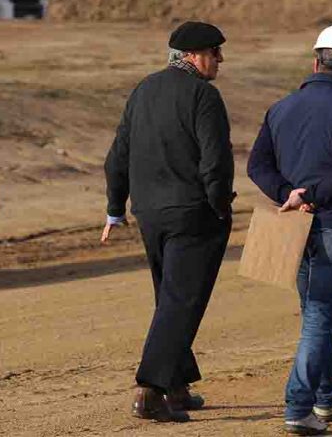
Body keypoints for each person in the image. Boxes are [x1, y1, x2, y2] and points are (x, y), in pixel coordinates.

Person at [102, 21, 235, 423]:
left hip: (150, 215)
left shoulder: (144, 90)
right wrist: (219, 206)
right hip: (191, 215)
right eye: (215, 53)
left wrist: (115, 208)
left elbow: (116, 156)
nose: (221, 60)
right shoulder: (204, 96)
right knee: (181, 301)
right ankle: (151, 391)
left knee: (170, 298)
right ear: (193, 57)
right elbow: (216, 161)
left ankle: (176, 385)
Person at [247, 24, 332, 435]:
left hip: (293, 227)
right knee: (321, 318)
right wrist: (310, 196)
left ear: (315, 62)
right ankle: (299, 406)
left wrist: (289, 193)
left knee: (316, 316)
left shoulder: (280, 108)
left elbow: (256, 166)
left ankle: (324, 398)